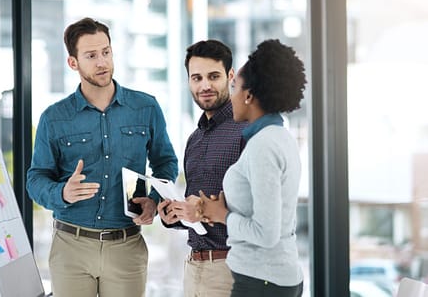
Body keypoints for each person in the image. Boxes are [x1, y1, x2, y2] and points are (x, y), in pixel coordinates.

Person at [26, 17, 178, 297]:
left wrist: (153, 202)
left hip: (126, 246)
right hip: (71, 245)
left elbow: (166, 162)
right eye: (91, 55)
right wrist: (62, 193)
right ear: (73, 63)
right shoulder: (54, 118)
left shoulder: (145, 107)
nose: (102, 62)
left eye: (106, 52)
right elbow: (35, 179)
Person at [197, 39, 306, 297]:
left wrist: (221, 215)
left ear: (248, 96)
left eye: (234, 86)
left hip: (262, 281)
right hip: (271, 278)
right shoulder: (278, 137)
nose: (230, 95)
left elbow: (266, 233)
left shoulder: (264, 145)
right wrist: (227, 208)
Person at [157, 39, 248, 297]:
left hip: (232, 268)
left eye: (213, 76)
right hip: (194, 267)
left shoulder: (246, 130)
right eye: (196, 78)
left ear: (230, 76)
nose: (204, 85)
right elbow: (196, 213)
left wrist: (201, 210)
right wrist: (174, 216)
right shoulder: (194, 140)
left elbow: (257, 210)